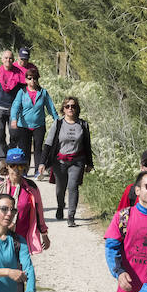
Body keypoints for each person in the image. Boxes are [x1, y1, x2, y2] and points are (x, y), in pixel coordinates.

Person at [0, 148, 50, 292]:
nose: (16, 169)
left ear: (25, 167)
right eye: (13, 165)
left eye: (20, 166)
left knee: (21, 273)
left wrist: (43, 232)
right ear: (7, 165)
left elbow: (39, 211)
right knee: (1, 270)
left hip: (20, 239)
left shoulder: (31, 188)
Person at [42, 96, 93, 226]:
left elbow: (87, 145)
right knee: (60, 189)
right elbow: (48, 143)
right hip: (59, 162)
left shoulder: (83, 124)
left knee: (73, 187)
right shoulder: (58, 124)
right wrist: (42, 162)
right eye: (67, 106)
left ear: (77, 109)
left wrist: (89, 163)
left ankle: (71, 216)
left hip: (77, 161)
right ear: (63, 109)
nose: (70, 108)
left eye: (73, 106)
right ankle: (60, 206)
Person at [9, 68, 58, 178]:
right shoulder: (22, 92)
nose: (32, 81)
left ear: (38, 79)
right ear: (26, 80)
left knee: (38, 148)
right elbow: (15, 106)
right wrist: (14, 119)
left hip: (39, 125)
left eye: (35, 78)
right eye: (30, 78)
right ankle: (24, 171)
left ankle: (38, 171)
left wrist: (57, 120)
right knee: (24, 149)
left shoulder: (43, 93)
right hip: (23, 126)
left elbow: (50, 107)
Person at [0, 51, 26, 164]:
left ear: (13, 60)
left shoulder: (19, 73)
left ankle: (10, 154)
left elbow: (24, 90)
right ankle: (2, 159)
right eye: (6, 58)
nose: (8, 60)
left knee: (14, 134)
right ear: (2, 59)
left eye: (11, 58)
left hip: (14, 109)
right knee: (0, 135)